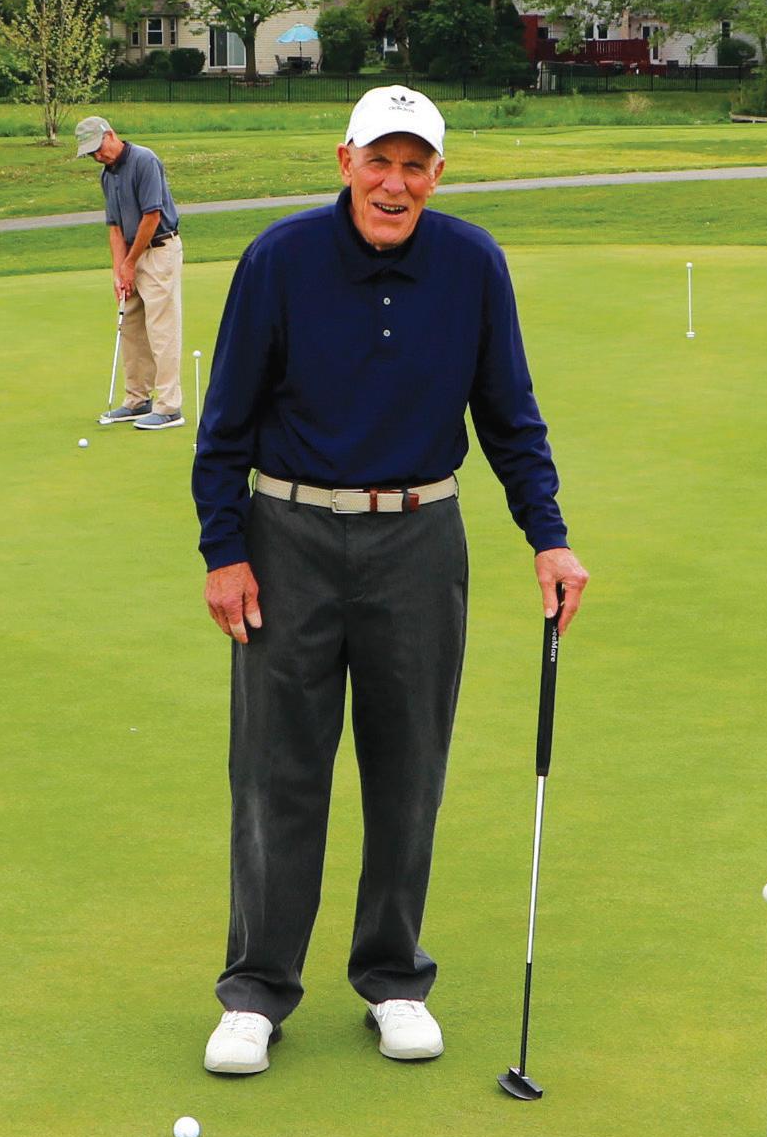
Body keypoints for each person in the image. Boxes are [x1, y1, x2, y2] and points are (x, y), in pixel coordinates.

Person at [191, 85, 589, 1077]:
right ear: (345, 161)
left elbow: (510, 417)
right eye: (380, 161)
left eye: (415, 165)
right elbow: (224, 425)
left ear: (437, 175)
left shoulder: (471, 264)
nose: (395, 183)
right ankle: (256, 991)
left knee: (409, 767)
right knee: (277, 770)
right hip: (287, 537)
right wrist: (223, 551)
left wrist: (547, 538)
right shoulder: (279, 259)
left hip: (419, 538)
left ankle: (393, 978)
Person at [75, 115, 186, 431]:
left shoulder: (144, 160)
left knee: (161, 329)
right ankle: (137, 400)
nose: (97, 156)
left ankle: (170, 407)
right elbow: (114, 227)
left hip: (159, 249)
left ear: (110, 135)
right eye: (91, 154)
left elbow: (152, 216)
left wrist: (129, 262)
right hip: (132, 254)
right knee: (131, 327)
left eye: (98, 148)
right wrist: (118, 271)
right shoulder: (107, 175)